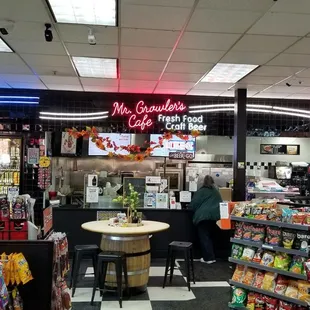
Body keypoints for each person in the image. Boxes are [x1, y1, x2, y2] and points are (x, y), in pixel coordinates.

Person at [189, 175, 222, 264]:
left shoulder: (201, 191)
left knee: (204, 237)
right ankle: (211, 256)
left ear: (203, 182)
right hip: (215, 217)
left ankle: (209, 258)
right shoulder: (216, 191)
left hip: (203, 217)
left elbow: (193, 205)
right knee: (210, 237)